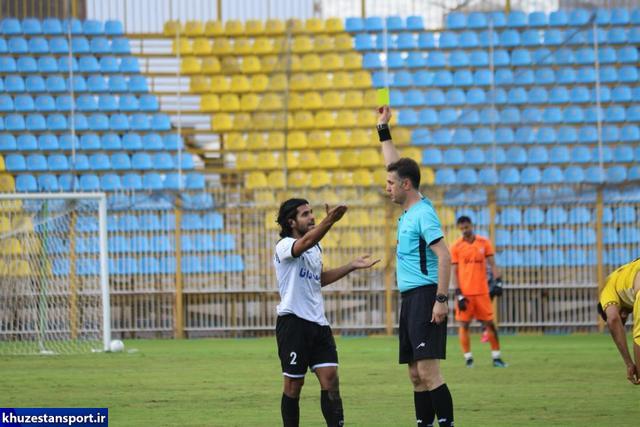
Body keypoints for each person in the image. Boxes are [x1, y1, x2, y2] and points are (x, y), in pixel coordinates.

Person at [377, 106, 455, 427]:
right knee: (414, 373)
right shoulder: (410, 209)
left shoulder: (423, 214)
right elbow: (393, 165)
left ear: (406, 185)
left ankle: (447, 423)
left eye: (391, 183)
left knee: (428, 371)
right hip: (410, 299)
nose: (388, 187)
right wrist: (383, 129)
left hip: (426, 296)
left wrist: (440, 300)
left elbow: (445, 255)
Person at [274, 198, 380, 426]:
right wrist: (330, 220)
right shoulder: (283, 246)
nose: (311, 217)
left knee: (331, 379)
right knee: (293, 385)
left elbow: (318, 279)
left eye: (312, 213)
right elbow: (305, 243)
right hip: (293, 323)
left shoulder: (316, 247)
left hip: (318, 324)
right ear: (291, 222)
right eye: (305, 214)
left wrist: (351, 265)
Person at [451, 216, 507, 368]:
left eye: (467, 227)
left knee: (490, 324)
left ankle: (496, 358)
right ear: (459, 228)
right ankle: (468, 359)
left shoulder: (484, 242)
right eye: (462, 228)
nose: (465, 230)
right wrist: (458, 293)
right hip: (465, 293)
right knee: (463, 325)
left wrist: (499, 281)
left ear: (471, 226)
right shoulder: (456, 246)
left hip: (482, 292)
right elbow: (454, 271)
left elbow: (493, 264)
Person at [598, 258, 640, 385]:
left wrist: (630, 364)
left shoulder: (606, 289)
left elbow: (613, 319)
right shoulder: (624, 272)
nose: (624, 317)